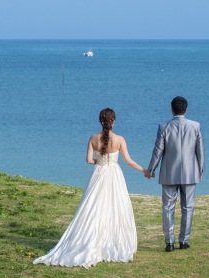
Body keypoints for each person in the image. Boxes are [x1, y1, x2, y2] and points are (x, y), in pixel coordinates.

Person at [34, 108, 146, 267]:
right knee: (116, 207)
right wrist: (144, 171)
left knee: (93, 207)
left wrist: (100, 162)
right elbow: (128, 161)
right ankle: (113, 241)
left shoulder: (93, 138)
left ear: (101, 121)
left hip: (99, 175)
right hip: (115, 175)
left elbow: (88, 160)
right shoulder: (120, 139)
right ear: (113, 121)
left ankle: (91, 239)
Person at [144, 96, 205, 252]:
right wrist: (201, 169)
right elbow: (200, 151)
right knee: (188, 207)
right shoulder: (196, 126)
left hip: (169, 172)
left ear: (172, 109)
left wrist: (151, 169)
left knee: (168, 207)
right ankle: (184, 241)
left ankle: (169, 242)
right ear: (186, 109)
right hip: (190, 172)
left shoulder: (164, 126)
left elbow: (158, 151)